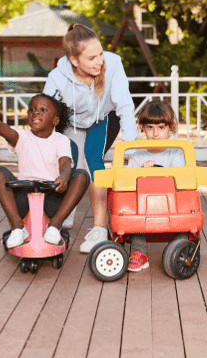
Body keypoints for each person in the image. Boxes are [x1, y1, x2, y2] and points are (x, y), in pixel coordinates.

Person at [43, 23, 138, 253]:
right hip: (71, 124)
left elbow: (125, 106)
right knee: (71, 163)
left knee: (93, 159)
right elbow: (45, 114)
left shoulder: (113, 64)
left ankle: (99, 228)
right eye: (92, 57)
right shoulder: (57, 77)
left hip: (102, 119)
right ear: (74, 60)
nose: (99, 62)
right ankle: (63, 218)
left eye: (101, 54)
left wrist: (132, 151)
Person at [0, 94, 89, 248]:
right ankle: (18, 227)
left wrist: (63, 177)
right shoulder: (22, 137)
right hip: (24, 195)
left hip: (52, 195)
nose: (35, 113)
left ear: (55, 120)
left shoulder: (61, 140)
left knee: (82, 175)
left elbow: (64, 162)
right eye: (31, 110)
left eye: (43, 110)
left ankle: (55, 226)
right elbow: (9, 132)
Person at [125, 100, 185, 272]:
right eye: (150, 128)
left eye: (161, 128)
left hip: (171, 204)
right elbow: (129, 183)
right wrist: (142, 174)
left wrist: (158, 170)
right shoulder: (137, 155)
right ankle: (139, 252)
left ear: (170, 129)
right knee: (132, 214)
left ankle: (180, 247)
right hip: (144, 204)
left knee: (183, 215)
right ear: (142, 128)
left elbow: (180, 180)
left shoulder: (176, 152)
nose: (155, 134)